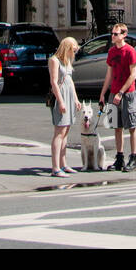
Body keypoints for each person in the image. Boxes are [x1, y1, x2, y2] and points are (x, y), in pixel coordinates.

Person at [98, 23, 136, 172]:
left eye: (115, 34)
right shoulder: (111, 52)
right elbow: (109, 74)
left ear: (124, 35)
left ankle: (133, 158)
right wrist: (103, 93)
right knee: (117, 126)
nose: (113, 36)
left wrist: (121, 92)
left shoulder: (130, 51)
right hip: (113, 92)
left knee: (132, 126)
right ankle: (119, 157)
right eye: (112, 33)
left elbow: (133, 75)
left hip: (127, 94)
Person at [48, 36, 82, 176]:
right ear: (66, 48)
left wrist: (75, 99)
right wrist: (60, 101)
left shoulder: (67, 60)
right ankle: (55, 167)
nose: (73, 53)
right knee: (59, 132)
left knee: (66, 131)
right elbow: (54, 82)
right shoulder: (54, 60)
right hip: (60, 96)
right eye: (72, 50)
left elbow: (70, 81)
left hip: (68, 95)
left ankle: (63, 163)